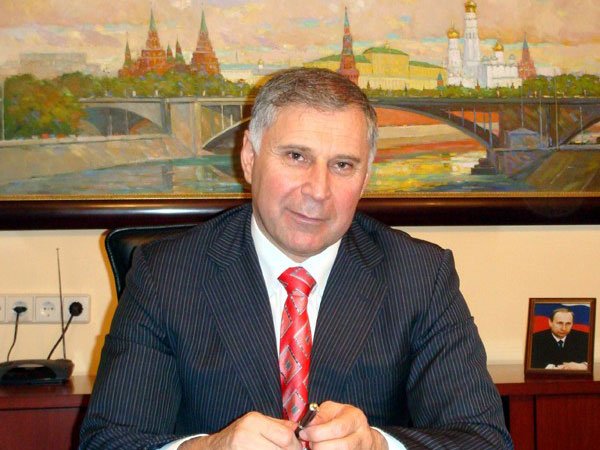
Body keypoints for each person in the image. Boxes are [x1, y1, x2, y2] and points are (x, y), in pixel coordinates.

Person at [80, 67, 512, 450]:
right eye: (296, 156)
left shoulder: (420, 276)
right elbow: (107, 441)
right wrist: (207, 449)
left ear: (365, 178)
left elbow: (484, 440)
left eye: (342, 165)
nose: (318, 190)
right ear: (249, 158)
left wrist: (379, 445)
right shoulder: (165, 275)